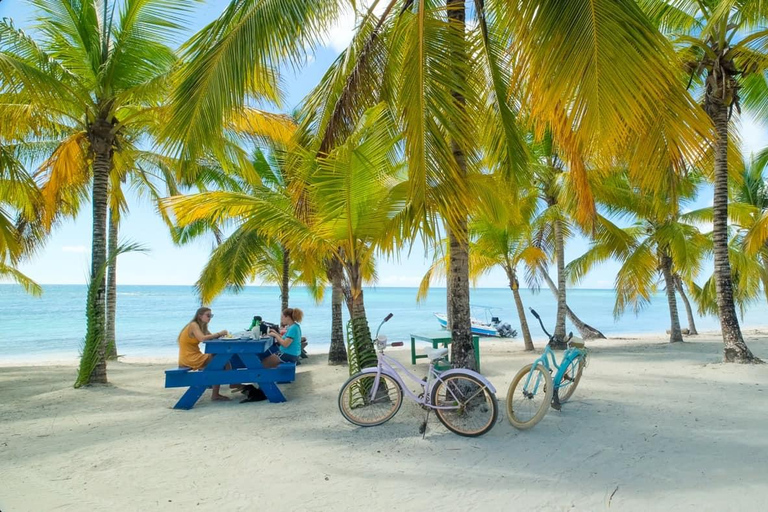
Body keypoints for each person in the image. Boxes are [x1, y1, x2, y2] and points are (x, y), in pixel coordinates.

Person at [177, 307, 230, 401]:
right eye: (208, 315)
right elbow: (202, 338)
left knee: (219, 360)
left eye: (211, 316)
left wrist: (221, 336)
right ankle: (231, 382)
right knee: (220, 359)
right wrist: (219, 333)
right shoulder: (194, 325)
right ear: (200, 316)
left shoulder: (202, 326)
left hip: (195, 355)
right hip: (189, 357)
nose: (209, 318)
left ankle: (222, 389)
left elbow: (211, 338)